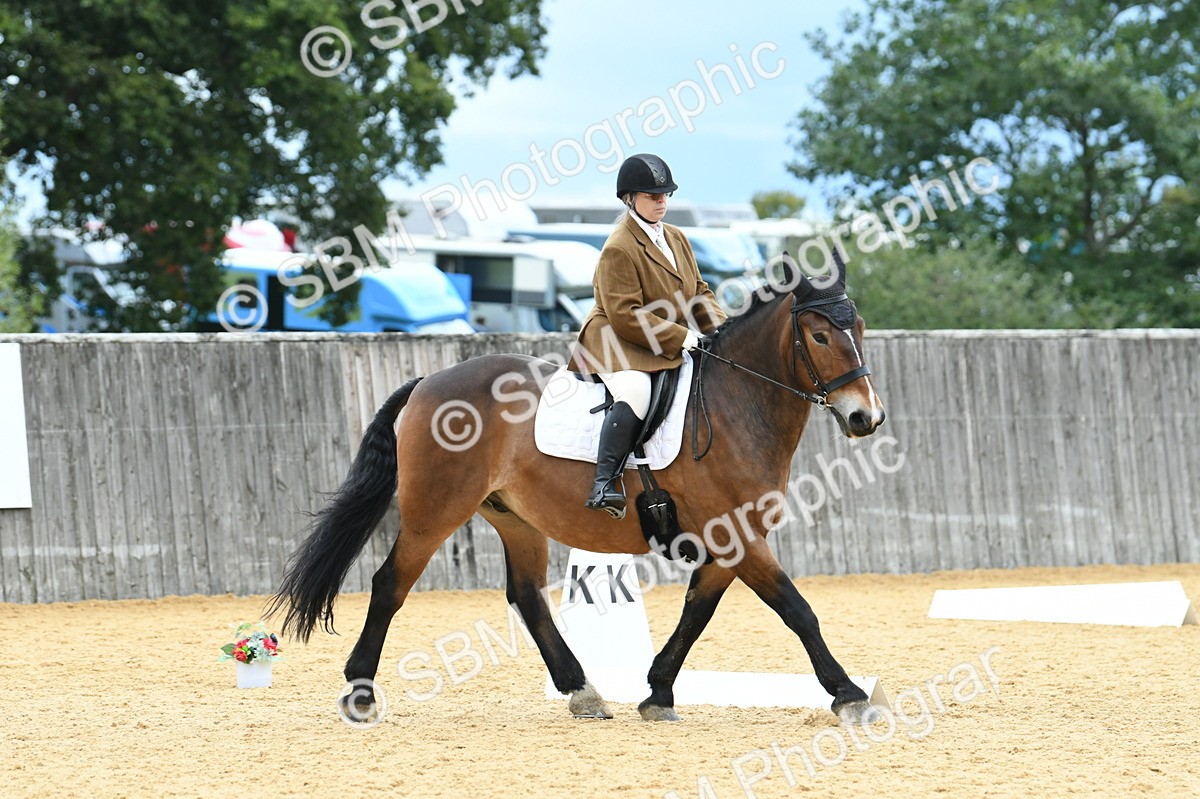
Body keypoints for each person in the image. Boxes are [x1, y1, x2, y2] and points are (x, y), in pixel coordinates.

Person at [569, 153, 727, 518]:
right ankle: (603, 482)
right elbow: (625, 315)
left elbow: (699, 291)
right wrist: (681, 337)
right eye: (652, 196)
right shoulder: (619, 247)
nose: (661, 201)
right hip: (616, 341)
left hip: (660, 334)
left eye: (665, 195)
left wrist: (721, 331)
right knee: (637, 392)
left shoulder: (675, 237)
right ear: (629, 199)